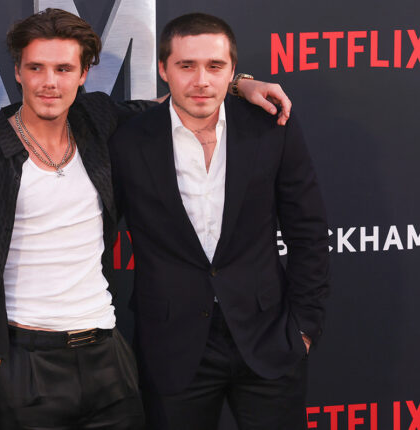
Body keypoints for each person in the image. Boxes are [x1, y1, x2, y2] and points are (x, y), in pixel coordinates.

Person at [0, 8, 294, 429]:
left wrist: (241, 84)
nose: (49, 82)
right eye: (36, 67)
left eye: (64, 69)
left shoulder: (96, 121)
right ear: (18, 72)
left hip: (108, 358)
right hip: (26, 362)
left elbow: (176, 102)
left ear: (83, 74)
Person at [108, 12, 330, 430]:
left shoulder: (271, 127)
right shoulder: (129, 139)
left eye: (215, 66)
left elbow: (309, 231)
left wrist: (304, 328)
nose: (201, 81)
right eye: (186, 66)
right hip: (171, 346)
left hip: (268, 337)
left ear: (232, 71)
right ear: (163, 70)